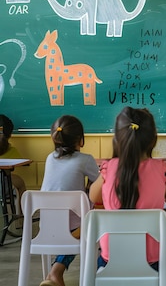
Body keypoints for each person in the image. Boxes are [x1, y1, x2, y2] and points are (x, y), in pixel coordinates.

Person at [89, 107, 166, 279]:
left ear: (116, 140)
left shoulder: (108, 168)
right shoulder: (161, 168)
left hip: (110, 262)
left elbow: (93, 197)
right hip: (155, 262)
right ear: (153, 140)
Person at [39, 115, 100, 286]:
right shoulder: (85, 160)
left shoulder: (50, 158)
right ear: (81, 140)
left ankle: (53, 273)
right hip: (74, 228)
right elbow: (101, 184)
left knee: (77, 228)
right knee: (92, 225)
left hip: (46, 226)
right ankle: (56, 272)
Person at [0, 114, 26, 213]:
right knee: (20, 183)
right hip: (4, 186)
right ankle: (23, 215)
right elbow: (21, 163)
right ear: (10, 135)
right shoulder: (12, 150)